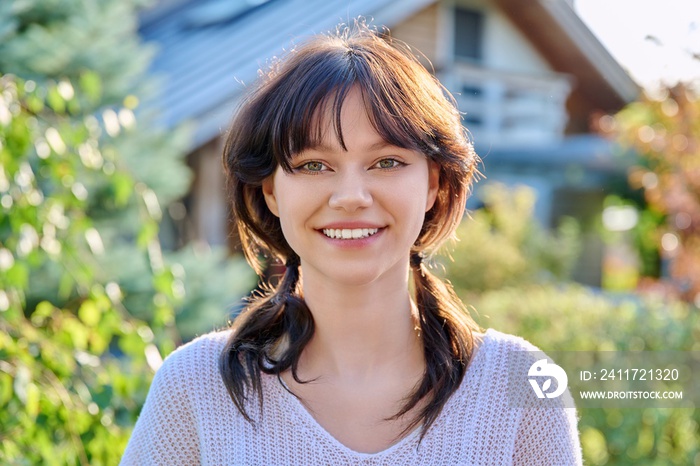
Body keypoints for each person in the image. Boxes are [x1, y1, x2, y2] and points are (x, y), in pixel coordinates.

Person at [120, 21, 582, 465]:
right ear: (270, 191)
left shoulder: (521, 387)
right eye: (314, 165)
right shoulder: (195, 387)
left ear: (433, 184)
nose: (351, 197)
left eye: (385, 162)